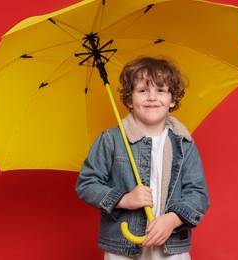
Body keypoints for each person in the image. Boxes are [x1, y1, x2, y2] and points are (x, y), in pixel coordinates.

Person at [75, 56, 209, 259]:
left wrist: (172, 220)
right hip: (123, 245)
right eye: (142, 90)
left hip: (170, 246)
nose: (152, 97)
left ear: (172, 100)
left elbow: (198, 193)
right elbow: (86, 184)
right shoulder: (111, 140)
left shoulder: (184, 143)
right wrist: (124, 199)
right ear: (129, 99)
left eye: (161, 90)